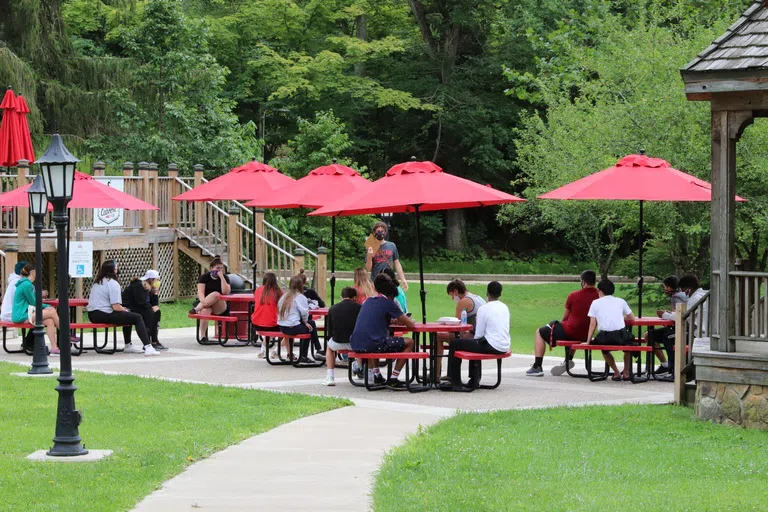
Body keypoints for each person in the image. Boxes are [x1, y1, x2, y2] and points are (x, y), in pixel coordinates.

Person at [350, 274, 416, 390]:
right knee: (409, 342)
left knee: (375, 337)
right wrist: (406, 320)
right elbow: (410, 324)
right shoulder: (388, 303)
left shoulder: (368, 301)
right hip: (374, 344)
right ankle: (394, 378)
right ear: (390, 295)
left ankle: (377, 375)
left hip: (356, 343)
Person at [526, 270, 599, 377]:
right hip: (587, 335)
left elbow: (565, 317)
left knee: (540, 332)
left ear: (583, 282)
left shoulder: (574, 295)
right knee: (574, 331)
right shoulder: (599, 297)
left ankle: (537, 366)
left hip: (571, 331)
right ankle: (568, 360)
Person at [441, 281, 510, 390]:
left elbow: (479, 334)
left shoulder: (484, 308)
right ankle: (474, 379)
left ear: (487, 293)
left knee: (456, 343)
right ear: (500, 294)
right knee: (473, 344)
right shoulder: (504, 307)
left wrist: (469, 336)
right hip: (504, 345)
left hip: (491, 345)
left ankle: (454, 380)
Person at [87, 260, 158, 356]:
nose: (118, 270)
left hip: (92, 314)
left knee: (128, 315)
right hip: (103, 313)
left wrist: (124, 310)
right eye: (116, 268)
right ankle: (147, 346)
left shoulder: (98, 282)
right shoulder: (113, 283)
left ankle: (129, 345)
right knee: (137, 317)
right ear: (113, 270)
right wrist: (124, 309)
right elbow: (116, 306)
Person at [585, 279, 635, 381]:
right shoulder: (621, 301)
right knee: (629, 346)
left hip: (605, 337)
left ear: (601, 291)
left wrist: (588, 341)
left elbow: (592, 324)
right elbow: (632, 318)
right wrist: (620, 317)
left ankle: (616, 372)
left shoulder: (595, 303)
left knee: (605, 350)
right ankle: (626, 372)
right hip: (621, 335)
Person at [435, 279, 486, 379]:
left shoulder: (464, 301)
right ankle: (448, 373)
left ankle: (436, 373)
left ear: (456, 291)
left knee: (438, 336)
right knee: (450, 337)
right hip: (482, 335)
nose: (452, 298)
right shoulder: (478, 298)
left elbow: (456, 326)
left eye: (451, 295)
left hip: (472, 335)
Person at [12, 263, 60, 355]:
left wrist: (45, 305)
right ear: (33, 272)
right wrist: (47, 306)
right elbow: (33, 302)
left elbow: (33, 300)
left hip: (26, 313)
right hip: (22, 315)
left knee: (50, 321)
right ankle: (66, 335)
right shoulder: (26, 285)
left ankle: (54, 348)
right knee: (52, 311)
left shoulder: (25, 283)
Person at [649, 276, 688, 374]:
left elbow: (680, 314)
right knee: (648, 335)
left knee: (666, 338)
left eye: (666, 287)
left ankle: (671, 367)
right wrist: (670, 313)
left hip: (682, 329)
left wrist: (665, 314)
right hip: (675, 327)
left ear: (670, 287)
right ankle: (665, 365)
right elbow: (677, 312)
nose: (665, 289)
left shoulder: (677, 296)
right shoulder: (680, 294)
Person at [277, 275, 321, 364]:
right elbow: (304, 313)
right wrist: (305, 322)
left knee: (311, 323)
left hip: (282, 326)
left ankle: (317, 347)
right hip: (292, 327)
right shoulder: (300, 297)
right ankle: (309, 352)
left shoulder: (284, 296)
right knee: (310, 327)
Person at [323, 287, 362, 386]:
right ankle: (359, 367)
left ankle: (330, 376)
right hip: (355, 343)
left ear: (341, 297)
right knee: (361, 345)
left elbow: (329, 330)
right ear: (354, 297)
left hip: (338, 341)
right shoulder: (360, 308)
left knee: (329, 348)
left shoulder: (333, 308)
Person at [122, 270, 166, 351]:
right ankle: (147, 342)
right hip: (128, 307)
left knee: (156, 311)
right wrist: (150, 308)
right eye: (156, 280)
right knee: (149, 312)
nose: (158, 282)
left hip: (137, 307)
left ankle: (154, 341)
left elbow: (154, 304)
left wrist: (155, 293)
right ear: (151, 279)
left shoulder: (148, 286)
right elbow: (140, 301)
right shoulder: (139, 285)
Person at [190, 256, 231, 343]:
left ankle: (196, 309)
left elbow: (226, 291)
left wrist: (222, 278)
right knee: (205, 310)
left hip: (220, 305)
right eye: (217, 268)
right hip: (206, 303)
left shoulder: (225, 277)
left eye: (221, 269)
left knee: (216, 294)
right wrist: (204, 302)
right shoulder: (204, 277)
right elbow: (200, 292)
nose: (219, 271)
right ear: (211, 268)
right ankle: (203, 337)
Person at [251, 272, 286, 359]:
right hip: (271, 324)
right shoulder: (277, 292)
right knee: (289, 331)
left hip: (256, 324)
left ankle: (263, 350)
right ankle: (277, 350)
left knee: (269, 323)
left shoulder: (258, 290)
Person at [365, 221, 408, 290]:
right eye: (378, 231)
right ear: (374, 232)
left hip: (389, 281)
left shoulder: (391, 245)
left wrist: (403, 279)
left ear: (385, 232)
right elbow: (368, 268)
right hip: (375, 282)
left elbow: (397, 263)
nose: (380, 233)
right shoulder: (371, 246)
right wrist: (369, 255)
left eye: (382, 231)